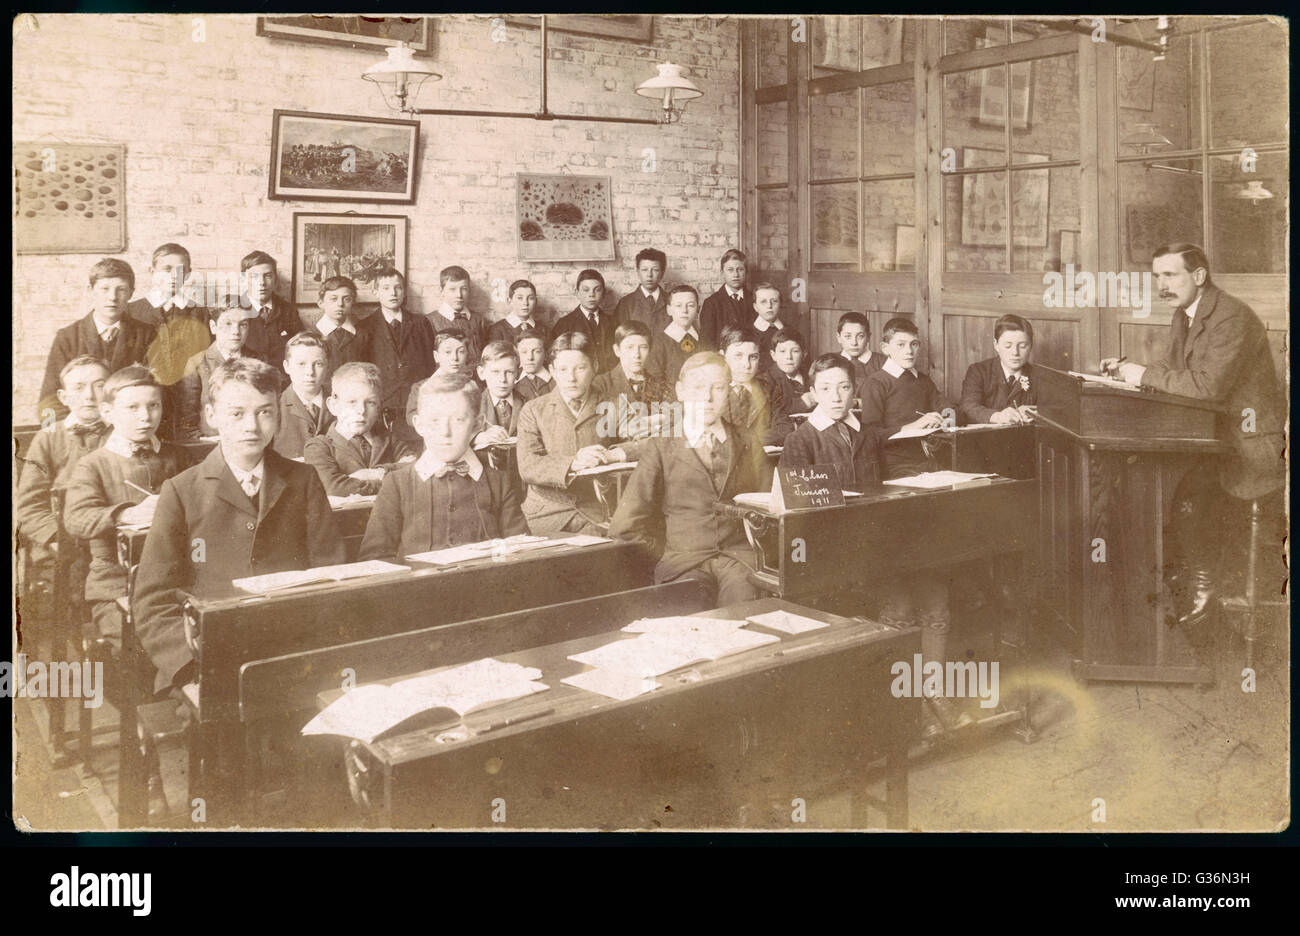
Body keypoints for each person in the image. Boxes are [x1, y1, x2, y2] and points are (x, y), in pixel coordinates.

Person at [1100, 243, 1287, 628]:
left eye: (1170, 275)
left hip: (1249, 444)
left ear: (1199, 276)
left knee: (1179, 487)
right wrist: (1126, 369)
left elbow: (1208, 387)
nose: (1161, 285)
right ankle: (1175, 578)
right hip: (1212, 435)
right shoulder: (1186, 314)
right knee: (1152, 477)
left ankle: (1203, 586)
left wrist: (1143, 375)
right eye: (1157, 276)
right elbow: (1172, 368)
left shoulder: (1231, 317)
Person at [133, 357, 345, 695]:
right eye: (237, 413)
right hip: (210, 657)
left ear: (278, 414)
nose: (252, 426)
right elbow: (152, 601)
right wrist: (190, 668)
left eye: (265, 412)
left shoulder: (303, 480)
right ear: (211, 415)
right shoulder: (181, 490)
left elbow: (331, 572)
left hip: (294, 649)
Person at [609, 351, 766, 606]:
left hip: (740, 562)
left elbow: (769, 507)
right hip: (682, 562)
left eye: (717, 388)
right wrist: (668, 554)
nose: (707, 398)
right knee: (688, 614)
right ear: (681, 392)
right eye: (698, 388)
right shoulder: (662, 445)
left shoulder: (747, 441)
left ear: (728, 391)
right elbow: (625, 526)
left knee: (745, 611)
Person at [63, 366, 189, 653]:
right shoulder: (93, 464)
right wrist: (127, 514)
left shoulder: (180, 457)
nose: (145, 417)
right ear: (107, 412)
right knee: (161, 642)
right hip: (117, 586)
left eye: (153, 406)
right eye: (132, 407)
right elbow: (76, 518)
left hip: (178, 580)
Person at [358, 372, 528, 562]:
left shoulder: (498, 482)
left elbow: (521, 552)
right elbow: (374, 560)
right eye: (434, 421)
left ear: (477, 424)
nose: (445, 432)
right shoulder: (397, 484)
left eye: (458, 420)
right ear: (419, 425)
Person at [516, 332, 630, 535]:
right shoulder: (533, 410)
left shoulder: (613, 405)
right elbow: (528, 465)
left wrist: (612, 454)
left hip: (597, 510)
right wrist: (573, 463)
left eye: (580, 368)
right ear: (552, 370)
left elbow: (648, 444)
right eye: (562, 369)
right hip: (545, 514)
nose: (571, 377)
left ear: (594, 367)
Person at [17, 357, 112, 588]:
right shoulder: (48, 438)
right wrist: (56, 539)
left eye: (99, 386)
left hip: (110, 537)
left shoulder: (123, 432)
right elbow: (29, 505)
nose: (89, 395)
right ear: (63, 397)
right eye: (79, 387)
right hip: (61, 543)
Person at [39, 258, 155, 422]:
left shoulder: (148, 335)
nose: (112, 297)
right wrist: (58, 434)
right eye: (104, 289)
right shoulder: (67, 337)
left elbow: (155, 393)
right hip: (81, 432)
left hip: (130, 427)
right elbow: (49, 398)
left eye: (121, 289)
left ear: (131, 293)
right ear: (90, 290)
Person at [131, 244, 214, 441]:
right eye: (166, 269)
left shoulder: (199, 312)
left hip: (186, 408)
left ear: (188, 274)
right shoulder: (133, 311)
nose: (174, 276)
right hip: (144, 408)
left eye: (181, 270)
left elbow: (205, 364)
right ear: (152, 272)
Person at [858, 317, 954, 479]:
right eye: (901, 345)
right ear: (885, 348)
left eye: (914, 344)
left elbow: (947, 407)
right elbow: (870, 435)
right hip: (894, 465)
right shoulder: (875, 383)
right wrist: (912, 427)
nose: (909, 351)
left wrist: (947, 418)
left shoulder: (923, 380)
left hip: (929, 460)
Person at [304, 362, 416, 497]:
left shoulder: (388, 439)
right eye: (352, 402)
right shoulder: (319, 447)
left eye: (370, 403)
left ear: (379, 406)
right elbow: (334, 488)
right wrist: (394, 476)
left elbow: (415, 470)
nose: (361, 410)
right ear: (333, 405)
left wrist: (378, 471)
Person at [779, 354, 880, 490]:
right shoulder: (799, 440)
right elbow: (796, 498)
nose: (836, 398)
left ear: (854, 390)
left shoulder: (870, 434)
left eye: (844, 387)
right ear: (814, 393)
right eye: (826, 389)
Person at [357, 267, 435, 437]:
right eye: (385, 288)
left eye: (398, 287)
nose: (393, 293)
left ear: (404, 291)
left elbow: (431, 365)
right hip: (382, 406)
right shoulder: (364, 327)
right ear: (375, 291)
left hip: (416, 406)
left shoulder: (421, 323)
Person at [176, 299, 251, 440]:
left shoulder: (258, 361)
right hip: (211, 444)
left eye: (243, 325)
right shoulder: (196, 364)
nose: (235, 332)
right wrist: (205, 442)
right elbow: (187, 421)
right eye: (227, 324)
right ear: (213, 327)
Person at [592, 320, 674, 445]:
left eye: (643, 348)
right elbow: (595, 428)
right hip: (614, 456)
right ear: (617, 350)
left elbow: (673, 422)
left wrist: (656, 425)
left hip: (652, 454)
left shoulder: (661, 385)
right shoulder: (601, 384)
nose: (637, 354)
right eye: (629, 347)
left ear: (650, 350)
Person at [718, 325, 794, 450]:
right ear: (722, 356)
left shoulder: (770, 388)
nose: (746, 365)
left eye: (753, 357)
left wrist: (746, 442)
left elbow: (784, 429)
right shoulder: (712, 391)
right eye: (738, 356)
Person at [959, 313, 1040, 425]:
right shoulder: (978, 371)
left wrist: (1035, 412)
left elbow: (1053, 412)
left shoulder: (1039, 377)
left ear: (1030, 346)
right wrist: (997, 416)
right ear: (996, 345)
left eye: (1022, 346)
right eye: (1008, 346)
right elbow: (968, 407)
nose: (1015, 353)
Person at [272, 332, 333, 459]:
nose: (310, 372)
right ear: (286, 367)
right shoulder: (273, 409)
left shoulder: (343, 404)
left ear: (327, 366)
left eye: (318, 364)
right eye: (301, 364)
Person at [239, 250, 299, 375]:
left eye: (267, 276)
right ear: (244, 279)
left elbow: (299, 350)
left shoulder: (288, 310)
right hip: (246, 381)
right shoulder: (234, 310)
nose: (261, 283)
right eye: (254, 276)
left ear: (275, 279)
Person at [551, 269, 618, 373]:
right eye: (586, 290)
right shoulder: (564, 324)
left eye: (597, 290)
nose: (591, 294)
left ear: (603, 293)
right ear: (577, 292)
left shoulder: (613, 322)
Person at [646, 284, 709, 385]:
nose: (684, 310)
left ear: (698, 309)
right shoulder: (659, 342)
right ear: (669, 310)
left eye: (691, 305)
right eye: (678, 305)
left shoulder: (703, 339)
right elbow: (654, 383)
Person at [425, 265, 487, 364]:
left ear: (469, 290)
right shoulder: (429, 321)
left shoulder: (478, 319)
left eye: (464, 289)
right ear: (441, 291)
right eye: (452, 289)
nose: (459, 295)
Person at [310, 275, 368, 374]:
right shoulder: (312, 334)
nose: (340, 304)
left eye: (347, 299)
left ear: (353, 303)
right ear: (321, 303)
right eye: (333, 299)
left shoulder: (362, 334)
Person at [698, 248, 751, 347]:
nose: (736, 274)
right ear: (722, 273)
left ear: (746, 272)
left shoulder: (754, 299)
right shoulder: (711, 303)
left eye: (740, 269)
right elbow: (706, 342)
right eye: (730, 270)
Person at [613, 247, 669, 328]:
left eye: (655, 270)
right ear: (638, 272)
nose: (649, 275)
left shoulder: (672, 301)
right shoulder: (625, 304)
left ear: (662, 273)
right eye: (644, 270)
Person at [766, 327, 815, 414]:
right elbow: (770, 409)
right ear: (773, 355)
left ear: (804, 354)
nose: (788, 357)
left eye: (795, 351)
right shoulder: (766, 380)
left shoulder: (811, 376)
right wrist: (802, 403)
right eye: (782, 351)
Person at [486, 279, 549, 346]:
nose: (525, 303)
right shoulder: (497, 330)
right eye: (520, 298)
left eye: (531, 298)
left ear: (536, 301)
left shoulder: (544, 331)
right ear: (509, 301)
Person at [513, 330, 554, 402]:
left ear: (545, 354)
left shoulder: (556, 378)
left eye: (537, 351)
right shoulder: (512, 379)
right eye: (524, 352)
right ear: (517, 355)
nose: (530, 357)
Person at [749, 282, 788, 356]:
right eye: (763, 302)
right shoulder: (747, 333)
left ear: (780, 304)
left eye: (774, 301)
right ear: (755, 307)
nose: (769, 306)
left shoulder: (789, 330)